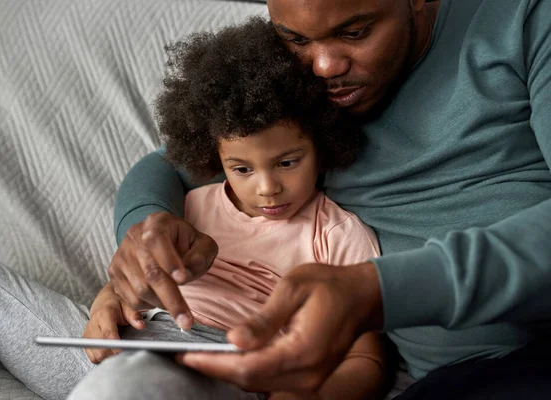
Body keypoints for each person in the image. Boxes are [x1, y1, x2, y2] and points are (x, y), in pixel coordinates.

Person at [105, 0, 551, 399]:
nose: (322, 66)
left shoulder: (523, 18)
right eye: (295, 37)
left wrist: (374, 290)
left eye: (355, 32)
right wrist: (146, 232)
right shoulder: (312, 88)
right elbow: (168, 164)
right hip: (450, 380)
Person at [70, 17, 389, 400]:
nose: (268, 188)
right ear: (213, 157)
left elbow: (367, 356)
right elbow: (142, 277)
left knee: (123, 385)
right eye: (241, 169)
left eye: (288, 162)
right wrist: (108, 297)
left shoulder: (336, 235)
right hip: (114, 342)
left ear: (322, 146)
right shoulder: (188, 209)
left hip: (216, 361)